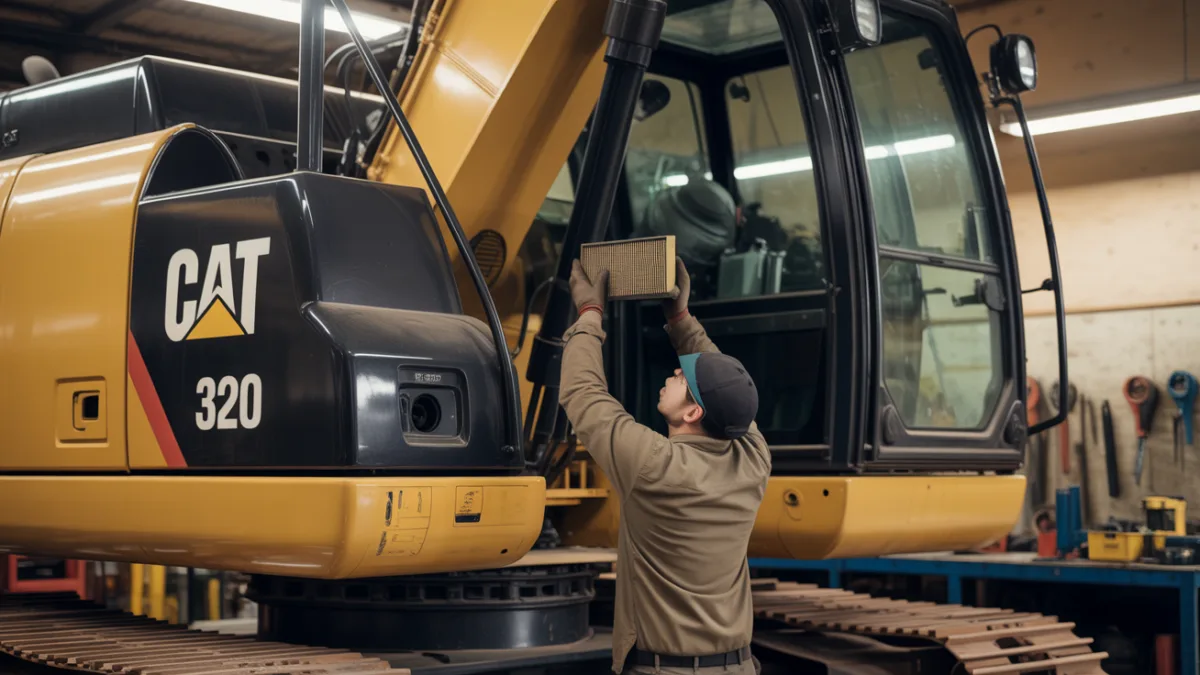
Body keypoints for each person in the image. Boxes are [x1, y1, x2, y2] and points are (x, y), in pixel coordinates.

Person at [560, 256, 771, 675]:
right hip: (738, 666)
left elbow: (583, 393)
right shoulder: (752, 459)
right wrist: (680, 319)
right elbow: (730, 389)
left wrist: (590, 314)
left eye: (683, 378)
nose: (675, 370)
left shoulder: (655, 466)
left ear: (693, 413)